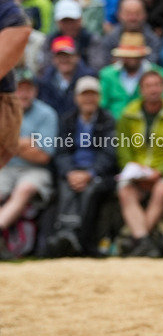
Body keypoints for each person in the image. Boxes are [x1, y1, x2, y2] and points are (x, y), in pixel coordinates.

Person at [114, 70, 163, 257]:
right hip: (136, 172)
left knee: (161, 190)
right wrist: (134, 170)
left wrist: (159, 172)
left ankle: (136, 241)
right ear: (141, 90)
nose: (153, 90)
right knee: (125, 192)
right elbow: (123, 149)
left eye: (157, 85)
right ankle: (145, 242)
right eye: (149, 86)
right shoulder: (128, 114)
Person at [49, 76, 118, 257]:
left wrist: (90, 173)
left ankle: (82, 238)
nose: (89, 99)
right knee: (66, 188)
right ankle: (66, 235)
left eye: (93, 95)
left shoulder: (108, 120)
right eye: (84, 95)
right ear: (76, 98)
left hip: (97, 172)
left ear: (99, 97)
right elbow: (62, 151)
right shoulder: (67, 120)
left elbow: (109, 153)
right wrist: (70, 173)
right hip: (73, 169)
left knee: (91, 189)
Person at [0, 69, 58, 254]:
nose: (24, 94)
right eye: (20, 88)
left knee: (24, 190)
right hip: (6, 166)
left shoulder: (47, 114)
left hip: (35, 170)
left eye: (28, 89)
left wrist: (9, 142)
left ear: (35, 91)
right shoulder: (3, 108)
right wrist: (25, 144)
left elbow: (43, 155)